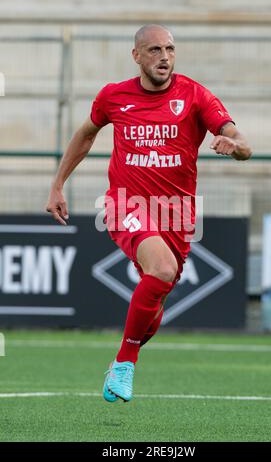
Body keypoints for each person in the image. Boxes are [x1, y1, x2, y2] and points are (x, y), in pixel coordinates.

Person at [46, 24, 252, 403]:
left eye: (170, 49)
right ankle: (125, 363)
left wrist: (233, 145)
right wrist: (58, 183)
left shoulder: (194, 95)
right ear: (137, 55)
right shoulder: (113, 96)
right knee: (162, 269)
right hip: (126, 204)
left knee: (156, 300)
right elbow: (86, 134)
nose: (165, 57)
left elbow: (242, 143)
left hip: (176, 213)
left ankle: (123, 358)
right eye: (155, 49)